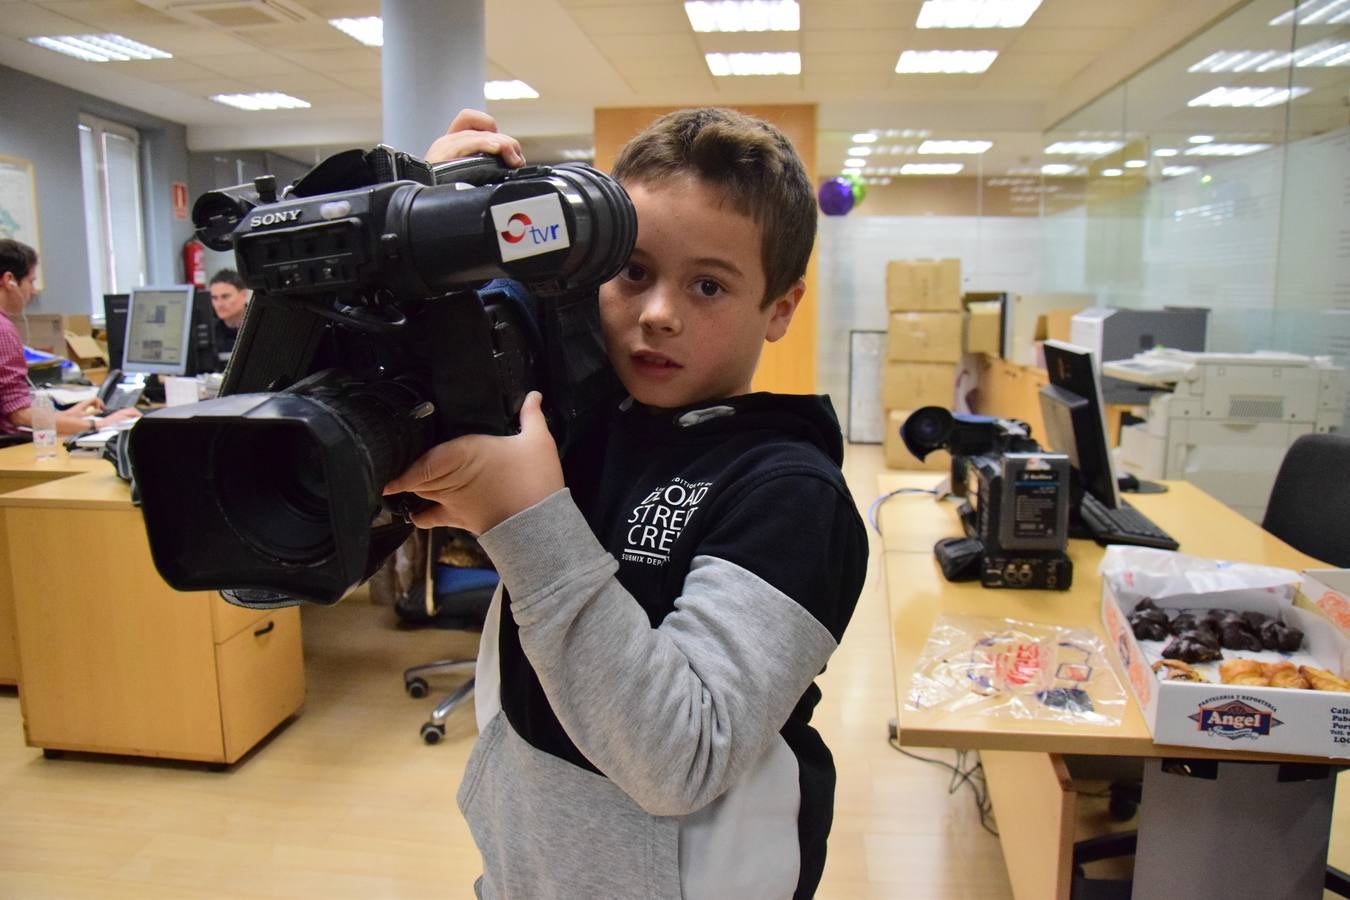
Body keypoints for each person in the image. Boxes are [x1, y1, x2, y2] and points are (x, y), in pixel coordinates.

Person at [385, 108, 867, 898]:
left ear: (780, 307)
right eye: (633, 272)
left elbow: (681, 760)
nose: (657, 314)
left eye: (708, 285)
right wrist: (434, 216)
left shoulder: (791, 495)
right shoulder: (582, 420)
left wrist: (524, 521)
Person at [1, 239, 139, 437]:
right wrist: (99, 425)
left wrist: (70, 416)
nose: (32, 291)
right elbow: (20, 416)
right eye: (31, 281)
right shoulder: (3, 330)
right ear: (9, 280)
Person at [208, 267, 250, 363]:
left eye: (225, 296)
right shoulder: (211, 333)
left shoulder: (260, 327)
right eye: (214, 298)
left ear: (244, 295)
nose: (219, 304)